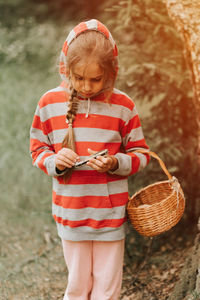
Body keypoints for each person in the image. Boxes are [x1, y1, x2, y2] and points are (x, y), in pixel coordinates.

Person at [30, 19, 150, 300]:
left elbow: (140, 155)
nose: (86, 86)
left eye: (96, 79)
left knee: (107, 288)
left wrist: (115, 163)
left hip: (109, 215)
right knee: (77, 286)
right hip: (71, 212)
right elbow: (38, 150)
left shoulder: (123, 106)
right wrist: (56, 162)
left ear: (110, 72)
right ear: (66, 68)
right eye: (79, 77)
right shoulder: (49, 103)